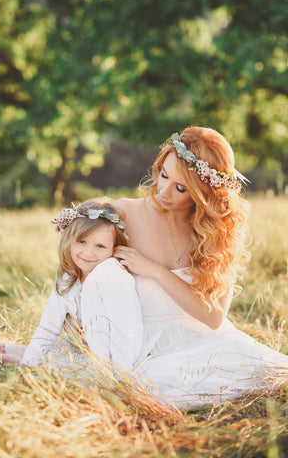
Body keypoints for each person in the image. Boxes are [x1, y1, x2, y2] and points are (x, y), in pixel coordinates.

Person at [113, 126, 288, 408]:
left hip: (207, 342)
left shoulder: (220, 232)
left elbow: (214, 317)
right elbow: (80, 265)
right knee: (139, 385)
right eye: (163, 175)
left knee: (264, 377)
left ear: (204, 192)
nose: (164, 191)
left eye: (181, 188)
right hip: (140, 342)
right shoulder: (125, 212)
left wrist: (156, 271)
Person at [0, 200, 143, 378]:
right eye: (82, 241)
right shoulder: (68, 277)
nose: (88, 253)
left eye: (100, 246)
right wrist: (28, 365)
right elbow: (49, 326)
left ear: (114, 249)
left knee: (55, 372)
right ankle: (14, 361)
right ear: (69, 240)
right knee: (36, 360)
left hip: (106, 360)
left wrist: (118, 377)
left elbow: (125, 333)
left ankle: (14, 361)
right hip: (76, 348)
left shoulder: (113, 280)